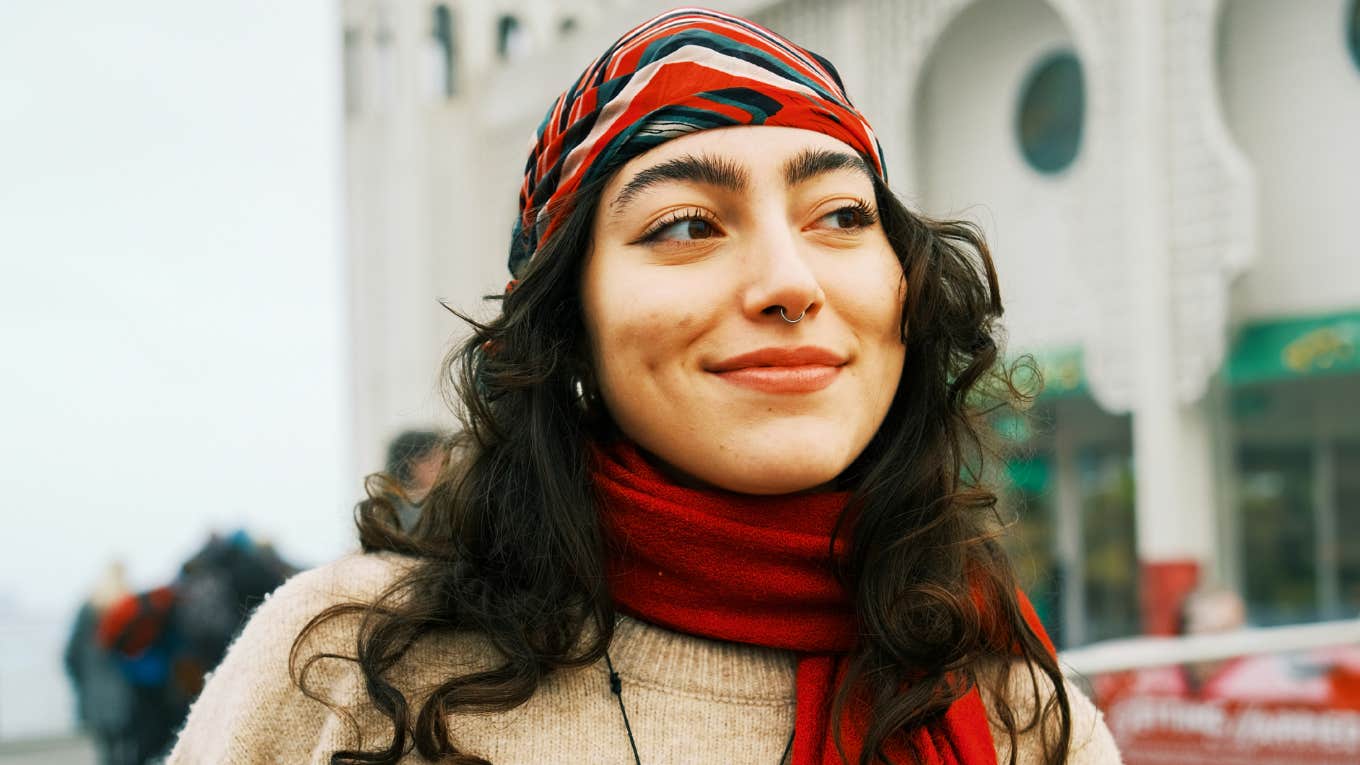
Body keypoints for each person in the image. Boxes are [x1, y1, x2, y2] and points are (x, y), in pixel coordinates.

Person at [169, 9, 1120, 764]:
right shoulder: (347, 665)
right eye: (685, 225)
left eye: (838, 212)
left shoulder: (1015, 713)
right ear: (567, 323)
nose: (791, 282)